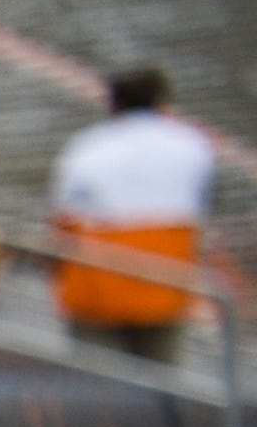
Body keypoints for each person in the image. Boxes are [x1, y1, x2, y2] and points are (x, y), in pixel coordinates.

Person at [50, 66, 219, 364]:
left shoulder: (86, 149)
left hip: (96, 292)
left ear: (114, 105)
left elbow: (63, 223)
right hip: (164, 289)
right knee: (163, 387)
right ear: (162, 104)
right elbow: (200, 210)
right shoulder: (193, 147)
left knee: (102, 389)